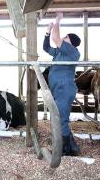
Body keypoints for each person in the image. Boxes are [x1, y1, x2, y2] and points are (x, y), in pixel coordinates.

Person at [43, 12, 81, 156]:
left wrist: (57, 21)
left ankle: (64, 149)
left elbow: (55, 37)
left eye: (66, 37)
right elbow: (46, 47)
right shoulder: (59, 53)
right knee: (60, 118)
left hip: (64, 90)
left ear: (71, 42)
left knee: (60, 119)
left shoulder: (72, 52)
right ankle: (71, 147)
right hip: (58, 90)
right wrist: (47, 31)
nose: (63, 38)